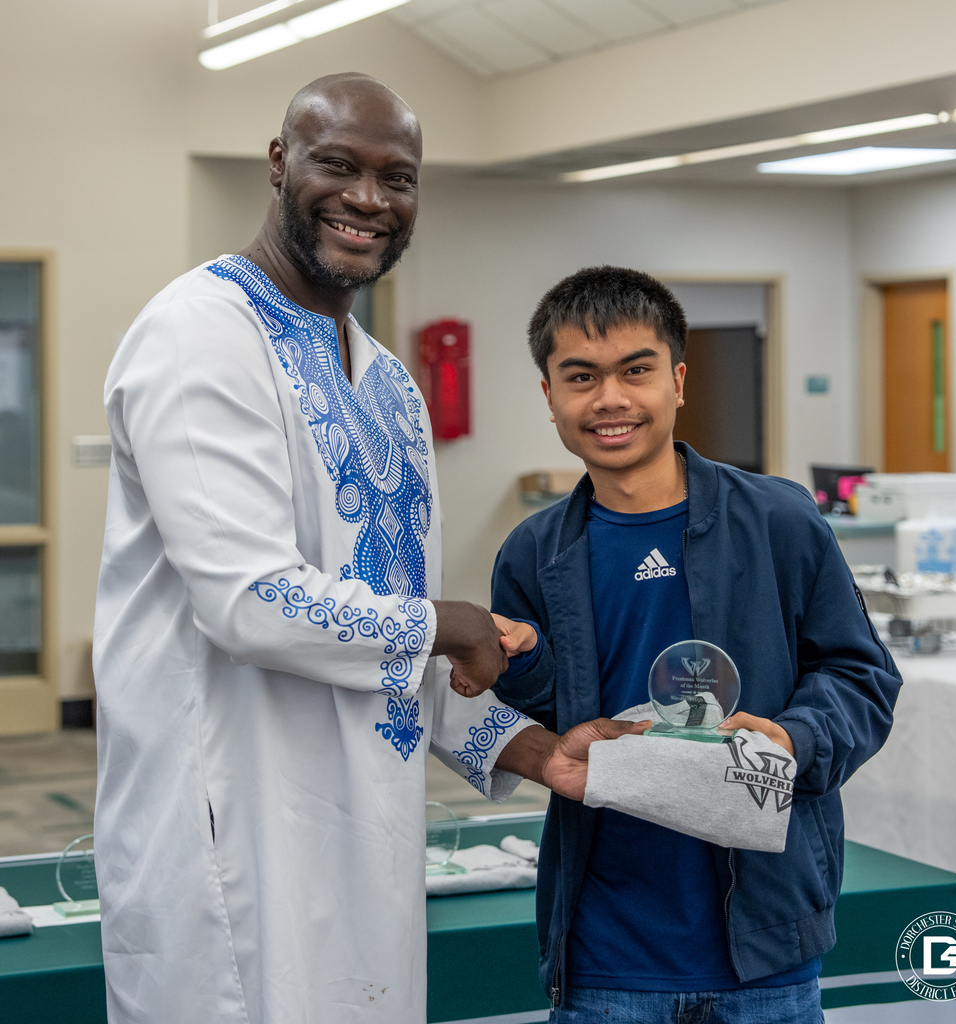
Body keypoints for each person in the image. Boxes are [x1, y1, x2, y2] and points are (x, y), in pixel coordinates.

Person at [93, 77, 642, 1024]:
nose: (368, 199)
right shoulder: (198, 335)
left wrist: (535, 749)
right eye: (337, 165)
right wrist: (448, 623)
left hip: (367, 837)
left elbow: (394, 633)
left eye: (399, 178)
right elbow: (254, 600)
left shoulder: (388, 384)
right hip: (231, 836)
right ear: (279, 164)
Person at [489, 266, 902, 1024]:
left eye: (635, 371)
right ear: (549, 396)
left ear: (677, 379)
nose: (610, 399)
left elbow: (862, 675)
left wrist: (793, 736)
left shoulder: (779, 522)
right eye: (580, 376)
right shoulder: (532, 554)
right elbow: (545, 722)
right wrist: (520, 664)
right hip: (604, 957)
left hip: (765, 951)